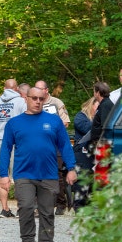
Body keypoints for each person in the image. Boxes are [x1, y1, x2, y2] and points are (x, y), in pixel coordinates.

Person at [0, 87, 77, 242]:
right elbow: (5, 148)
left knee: (47, 213)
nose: (37, 102)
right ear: (26, 98)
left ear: (45, 99)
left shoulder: (54, 121)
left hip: (48, 174)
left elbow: (65, 145)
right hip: (24, 174)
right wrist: (3, 174)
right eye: (34, 98)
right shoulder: (15, 123)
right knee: (26, 208)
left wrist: (71, 168)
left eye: (41, 99)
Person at [0, 78, 26, 218]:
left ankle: (4, 209)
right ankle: (21, 208)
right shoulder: (21, 102)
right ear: (17, 89)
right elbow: (27, 120)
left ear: (4, 88)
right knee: (19, 175)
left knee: (3, 174)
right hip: (16, 142)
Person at [34, 80, 71, 215]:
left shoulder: (56, 103)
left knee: (58, 174)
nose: (37, 92)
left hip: (55, 143)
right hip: (38, 144)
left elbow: (65, 122)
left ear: (46, 90)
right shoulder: (34, 103)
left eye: (40, 89)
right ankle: (39, 205)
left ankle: (61, 203)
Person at [70, 97, 99, 211]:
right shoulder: (80, 117)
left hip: (94, 157)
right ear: (91, 105)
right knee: (81, 189)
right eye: (97, 107)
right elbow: (88, 129)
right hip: (82, 157)